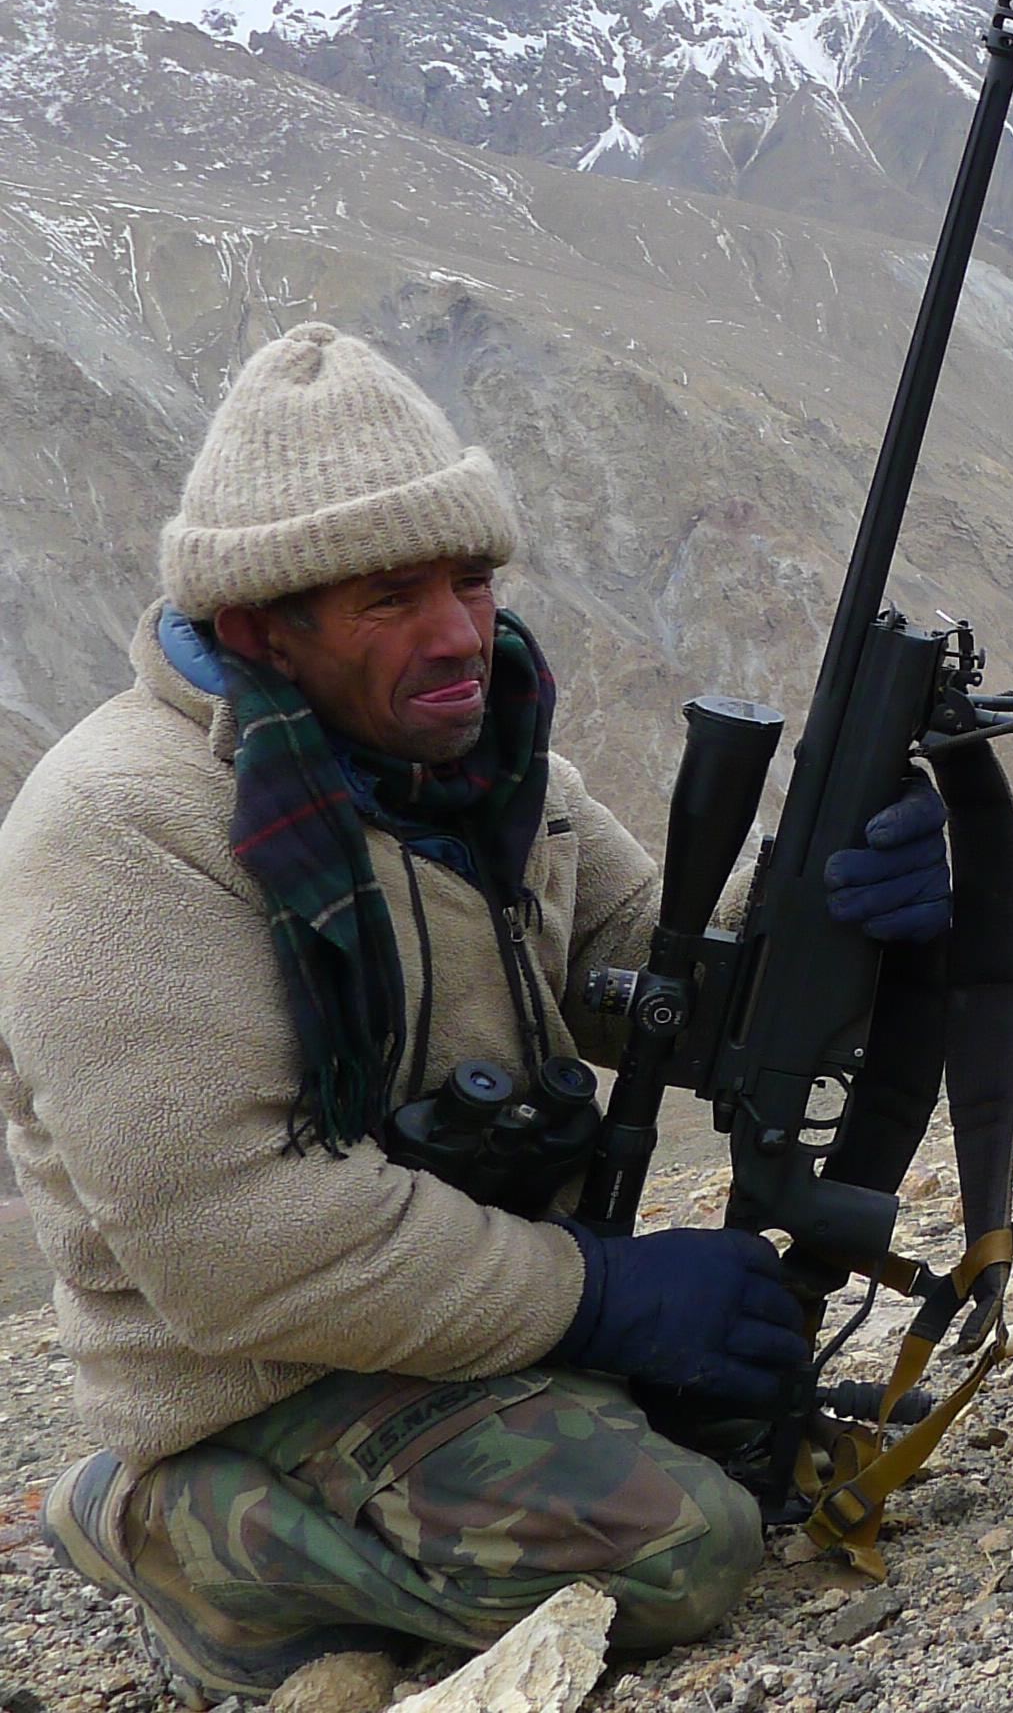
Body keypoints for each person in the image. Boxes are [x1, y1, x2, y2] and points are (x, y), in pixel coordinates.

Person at [0, 324, 951, 1699]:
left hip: (478, 1313)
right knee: (684, 1545)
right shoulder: (120, 833)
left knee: (758, 1437)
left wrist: (831, 921)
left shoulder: (481, 763)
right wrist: (603, 1299)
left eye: (472, 578)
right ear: (265, 625)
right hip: (272, 1373)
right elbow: (237, 1245)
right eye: (393, 596)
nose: (461, 635)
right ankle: (162, 1520)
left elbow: (643, 968)